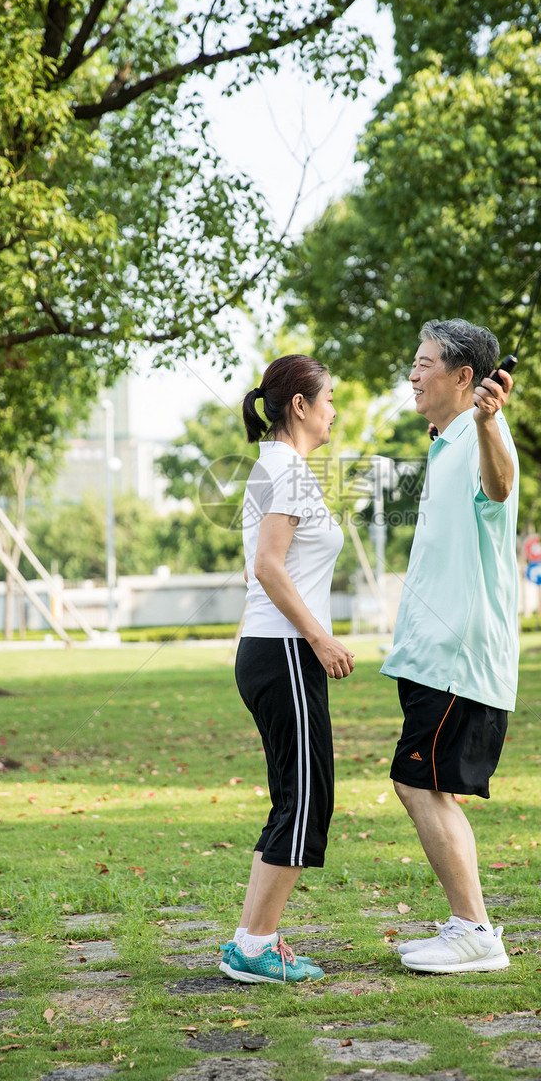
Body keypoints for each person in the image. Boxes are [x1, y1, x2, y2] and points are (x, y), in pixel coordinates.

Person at [380, 319, 519, 974]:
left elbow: (501, 486)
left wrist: (490, 422)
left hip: (458, 654)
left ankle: (474, 931)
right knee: (434, 786)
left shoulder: (482, 436)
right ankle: (470, 926)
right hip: (432, 654)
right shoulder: (443, 444)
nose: (413, 373)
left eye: (424, 362)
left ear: (464, 377)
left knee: (417, 782)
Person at [220, 354, 355, 984]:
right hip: (284, 655)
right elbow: (269, 567)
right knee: (306, 800)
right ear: (299, 406)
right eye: (328, 399)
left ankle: (250, 939)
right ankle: (256, 945)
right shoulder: (288, 471)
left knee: (294, 799)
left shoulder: (276, 468)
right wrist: (320, 638)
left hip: (269, 652)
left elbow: (256, 567)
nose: (334, 411)